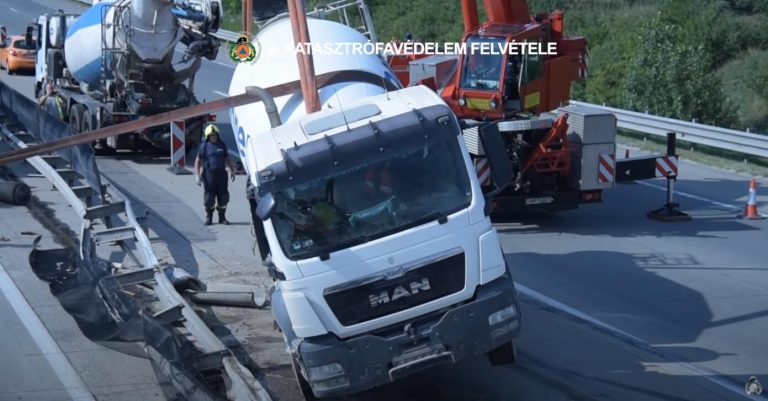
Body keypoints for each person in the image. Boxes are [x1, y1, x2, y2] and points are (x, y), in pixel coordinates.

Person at [195, 124, 236, 225]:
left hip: (221, 175)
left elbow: (228, 158)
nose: (214, 136)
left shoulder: (222, 145)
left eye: (215, 135)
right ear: (208, 136)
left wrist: (233, 170)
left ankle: (222, 218)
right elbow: (198, 160)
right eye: (212, 135)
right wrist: (197, 175)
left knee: (223, 197)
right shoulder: (204, 146)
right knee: (209, 198)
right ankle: (209, 218)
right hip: (209, 175)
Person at [246, 177, 271, 263]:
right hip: (256, 191)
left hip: (257, 189)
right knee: (261, 228)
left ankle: (266, 256)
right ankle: (266, 257)